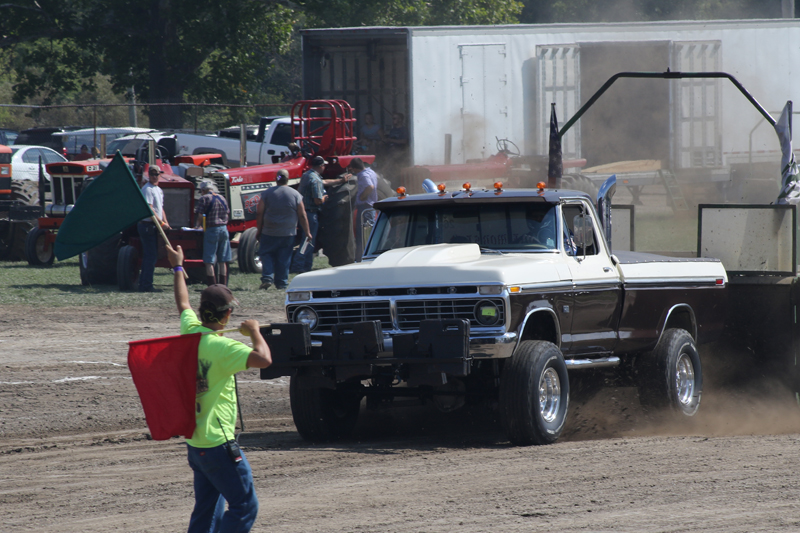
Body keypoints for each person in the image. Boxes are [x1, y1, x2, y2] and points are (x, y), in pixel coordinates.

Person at [165, 243, 271, 533]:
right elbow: (264, 359)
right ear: (226, 316)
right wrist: (256, 332)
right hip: (219, 445)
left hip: (196, 443)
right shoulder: (223, 347)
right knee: (245, 506)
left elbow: (183, 304)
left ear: (203, 313)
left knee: (208, 508)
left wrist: (178, 266)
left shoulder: (190, 332)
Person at [255, 169, 311, 290]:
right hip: (288, 232)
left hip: (269, 231)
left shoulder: (267, 193)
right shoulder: (295, 194)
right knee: (284, 257)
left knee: (266, 254)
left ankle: (267, 278)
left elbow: (259, 213)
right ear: (288, 179)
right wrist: (307, 232)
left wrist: (259, 230)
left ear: (276, 179)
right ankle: (281, 283)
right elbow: (302, 215)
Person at [290, 155, 345, 273]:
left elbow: (323, 182)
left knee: (307, 240)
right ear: (321, 166)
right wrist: (325, 198)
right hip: (311, 214)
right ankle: (299, 266)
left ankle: (305, 266)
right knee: (308, 240)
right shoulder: (315, 180)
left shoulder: (307, 175)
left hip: (303, 212)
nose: (324, 167)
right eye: (324, 165)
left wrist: (340, 181)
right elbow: (318, 201)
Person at [137, 166, 170, 292]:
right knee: (150, 256)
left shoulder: (158, 190)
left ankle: (145, 283)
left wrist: (165, 222)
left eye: (157, 174)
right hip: (147, 226)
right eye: (152, 174)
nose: (155, 176)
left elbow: (160, 208)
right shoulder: (147, 189)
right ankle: (146, 285)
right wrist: (161, 223)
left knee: (152, 255)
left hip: (155, 226)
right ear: (149, 175)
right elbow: (150, 209)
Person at [195, 181, 232, 286]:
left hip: (212, 230)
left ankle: (212, 285)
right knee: (223, 260)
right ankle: (223, 285)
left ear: (203, 190)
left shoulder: (204, 198)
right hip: (224, 229)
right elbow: (227, 213)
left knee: (209, 260)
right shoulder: (222, 198)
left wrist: (198, 225)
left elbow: (200, 215)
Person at [346, 158, 378, 261]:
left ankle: (362, 258)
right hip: (370, 207)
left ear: (355, 168)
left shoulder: (363, 175)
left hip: (365, 206)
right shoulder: (371, 172)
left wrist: (362, 197)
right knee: (368, 233)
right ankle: (366, 256)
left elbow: (370, 186)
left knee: (363, 235)